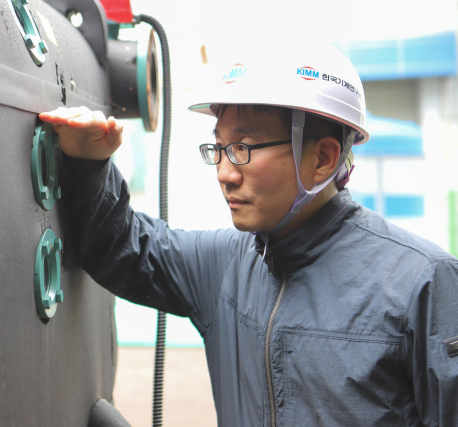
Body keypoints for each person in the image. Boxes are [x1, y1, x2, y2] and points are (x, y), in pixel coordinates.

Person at [39, 42, 458, 426]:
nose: (224, 173)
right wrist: (88, 162)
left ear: (324, 158)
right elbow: (123, 248)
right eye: (218, 147)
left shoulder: (422, 282)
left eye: (243, 147)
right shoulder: (225, 264)